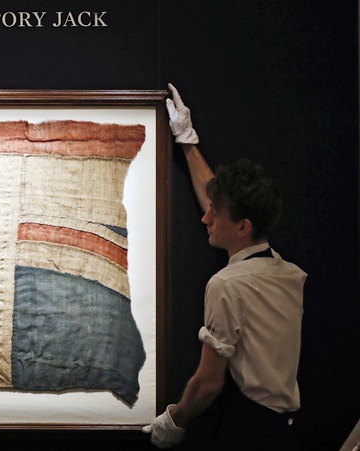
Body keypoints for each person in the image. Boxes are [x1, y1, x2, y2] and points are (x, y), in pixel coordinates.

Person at [142, 84, 307, 450]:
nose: (205, 218)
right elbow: (217, 198)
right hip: (283, 434)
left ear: (243, 226)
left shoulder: (227, 284)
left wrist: (174, 420)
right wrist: (186, 141)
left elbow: (208, 382)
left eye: (214, 213)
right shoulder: (286, 273)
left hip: (247, 434)